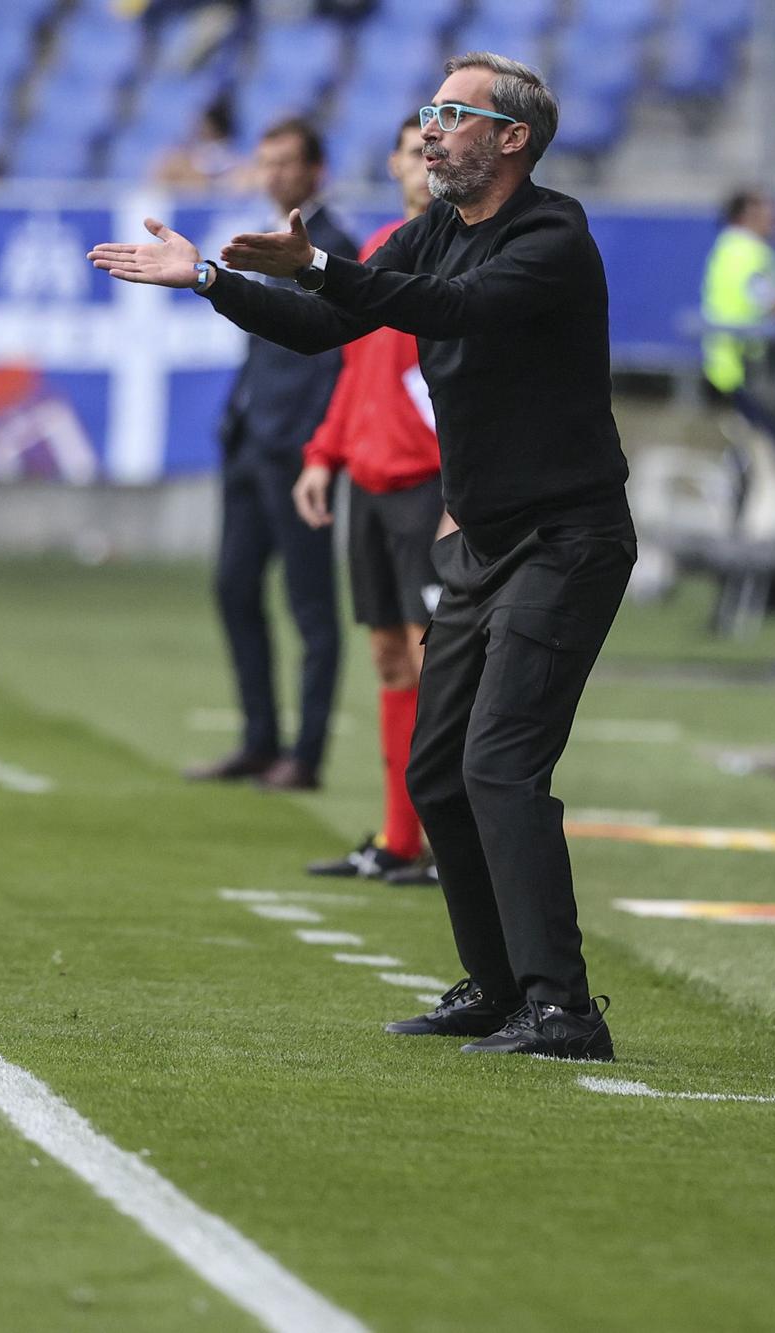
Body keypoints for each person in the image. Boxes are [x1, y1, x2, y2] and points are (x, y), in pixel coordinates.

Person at [90, 52, 634, 1062]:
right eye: (424, 111)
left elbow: (450, 311)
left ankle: (563, 1007)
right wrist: (207, 278)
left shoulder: (552, 233)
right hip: (483, 538)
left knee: (500, 764)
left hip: (565, 537)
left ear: (509, 139)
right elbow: (320, 326)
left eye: (449, 113)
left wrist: (320, 267)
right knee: (436, 773)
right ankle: (498, 984)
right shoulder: (431, 229)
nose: (426, 129)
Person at [182, 118, 354, 793]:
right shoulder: (261, 243)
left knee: (311, 604)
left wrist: (318, 444)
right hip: (250, 440)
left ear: (318, 171)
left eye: (288, 162)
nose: (276, 174)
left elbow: (336, 356)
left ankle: (305, 755)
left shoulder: (332, 248)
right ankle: (259, 739)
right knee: (233, 587)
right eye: (267, 162)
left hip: (297, 451)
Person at [294, 114, 444, 883]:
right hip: (371, 483)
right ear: (392, 163)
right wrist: (324, 453)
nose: (425, 162)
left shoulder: (462, 252)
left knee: (442, 665)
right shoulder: (384, 247)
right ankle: (397, 838)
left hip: (433, 487)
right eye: (413, 150)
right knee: (390, 656)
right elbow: (358, 371)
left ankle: (456, 848)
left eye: (436, 149)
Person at [701, 188, 775, 413]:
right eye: (768, 209)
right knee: (765, 444)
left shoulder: (730, 250)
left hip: (741, 370)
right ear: (747, 215)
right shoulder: (747, 254)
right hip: (754, 372)